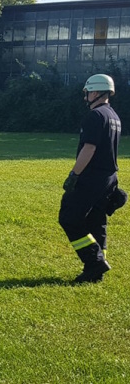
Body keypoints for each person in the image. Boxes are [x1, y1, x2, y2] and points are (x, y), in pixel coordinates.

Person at [58, 74, 122, 283]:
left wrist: (74, 174)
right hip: (109, 177)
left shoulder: (95, 116)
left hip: (92, 177)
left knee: (69, 217)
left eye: (87, 93)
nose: (86, 97)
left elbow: (89, 148)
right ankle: (97, 269)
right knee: (97, 220)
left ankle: (95, 262)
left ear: (95, 92)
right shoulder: (113, 116)